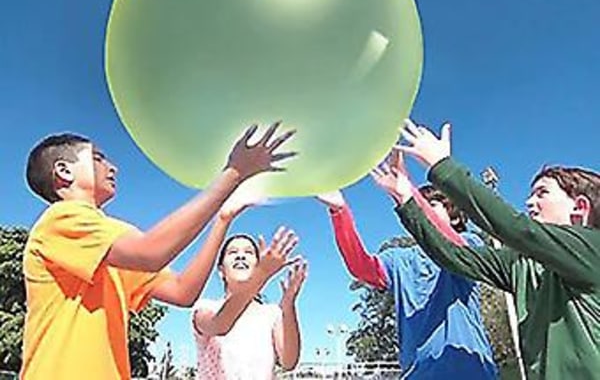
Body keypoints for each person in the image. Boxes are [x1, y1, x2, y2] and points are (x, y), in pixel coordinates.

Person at [20, 122, 296, 380]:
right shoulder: (61, 219)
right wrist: (234, 173)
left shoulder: (110, 243)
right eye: (97, 158)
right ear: (64, 171)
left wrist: (223, 219)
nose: (112, 167)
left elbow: (182, 291)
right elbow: (152, 252)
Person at [391, 118, 600, 380]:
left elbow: (516, 229)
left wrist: (442, 167)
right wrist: (405, 200)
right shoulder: (522, 265)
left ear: (579, 208)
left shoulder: (593, 250)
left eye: (542, 193)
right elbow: (455, 256)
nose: (529, 202)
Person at [317, 150, 497, 379]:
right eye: (421, 205)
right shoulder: (399, 259)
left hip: (471, 371)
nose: (423, 208)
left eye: (432, 203)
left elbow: (451, 245)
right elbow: (361, 267)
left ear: (454, 216)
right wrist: (339, 211)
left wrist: (406, 191)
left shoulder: (470, 242)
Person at [191, 211, 307, 380]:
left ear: (257, 263)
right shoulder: (205, 308)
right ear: (221, 270)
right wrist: (262, 275)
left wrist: (288, 305)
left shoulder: (271, 313)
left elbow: (289, 362)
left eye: (249, 252)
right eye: (232, 252)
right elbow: (220, 325)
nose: (240, 256)